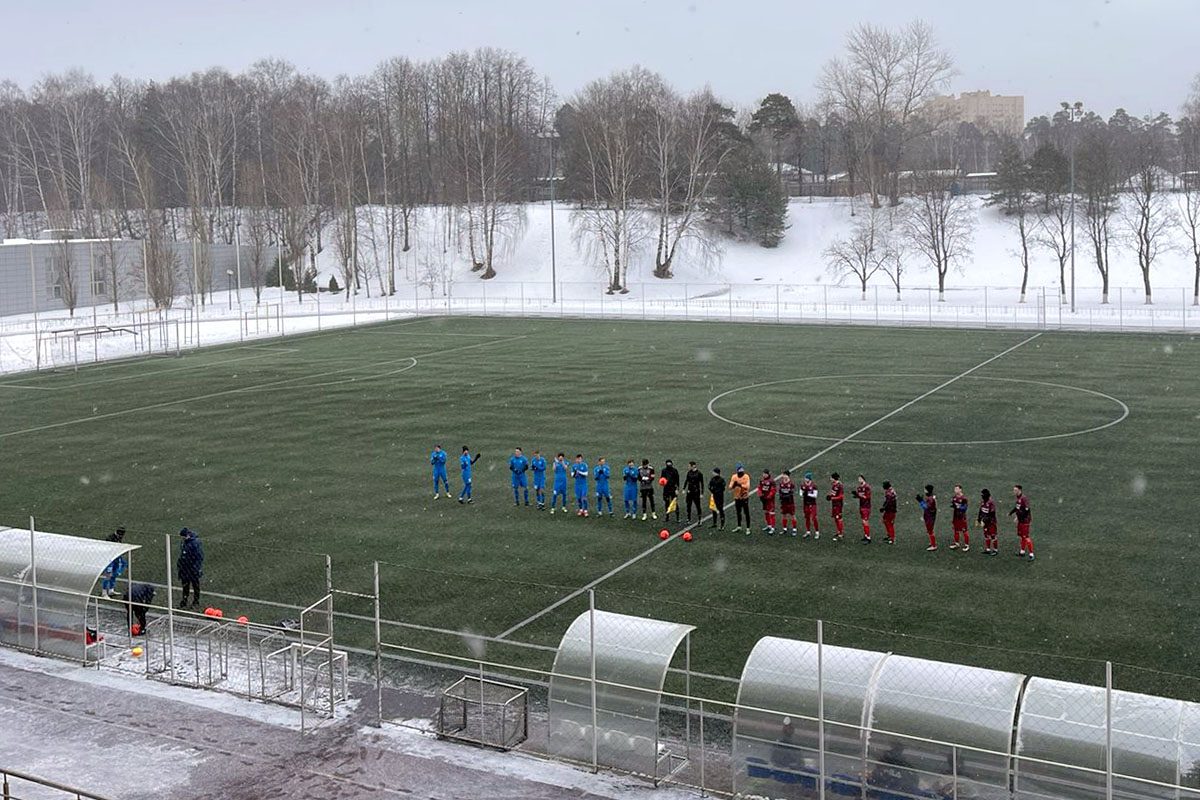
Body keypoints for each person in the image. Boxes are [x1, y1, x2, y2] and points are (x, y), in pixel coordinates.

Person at [176, 527, 204, 609]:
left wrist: (195, 568)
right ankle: (184, 601)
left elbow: (199, 557)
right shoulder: (186, 542)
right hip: (185, 568)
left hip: (192, 568)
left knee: (195, 586)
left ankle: (195, 601)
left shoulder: (194, 543)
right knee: (186, 586)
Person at [101, 527, 127, 598]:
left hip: (116, 557)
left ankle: (111, 590)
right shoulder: (110, 538)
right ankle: (104, 592)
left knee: (114, 573)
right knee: (108, 575)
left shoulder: (118, 537)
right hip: (109, 558)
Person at [1010, 484, 1034, 560]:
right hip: (1021, 520)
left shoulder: (1024, 498)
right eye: (1014, 490)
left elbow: (1027, 510)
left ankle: (1031, 554)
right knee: (1022, 536)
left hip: (1025, 521)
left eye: (1015, 490)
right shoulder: (1019, 498)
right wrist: (1012, 513)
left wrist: (1019, 517)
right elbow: (1017, 508)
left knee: (1026, 536)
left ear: (1020, 490)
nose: (1014, 491)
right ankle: (1022, 552)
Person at [729, 463, 752, 533]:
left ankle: (748, 528)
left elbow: (747, 486)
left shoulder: (746, 476)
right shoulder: (734, 477)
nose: (741, 472)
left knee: (746, 513)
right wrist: (733, 485)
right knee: (738, 512)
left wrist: (739, 485)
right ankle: (739, 526)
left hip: (744, 497)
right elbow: (730, 487)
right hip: (737, 497)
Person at [916, 484, 938, 551]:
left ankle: (934, 545)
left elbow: (926, 507)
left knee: (930, 530)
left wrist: (920, 501)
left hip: (929, 516)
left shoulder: (930, 499)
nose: (924, 491)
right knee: (930, 530)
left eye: (925, 489)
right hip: (930, 515)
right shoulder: (931, 497)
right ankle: (932, 542)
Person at [977, 488, 999, 555]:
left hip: (991, 522)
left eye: (983, 495)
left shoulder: (991, 503)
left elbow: (992, 514)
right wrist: (979, 519)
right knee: (986, 535)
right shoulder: (983, 502)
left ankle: (995, 550)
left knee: (993, 536)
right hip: (985, 522)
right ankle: (988, 549)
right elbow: (980, 511)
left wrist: (984, 520)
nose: (982, 496)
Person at [800, 471, 820, 539]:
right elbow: (800, 492)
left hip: (812, 504)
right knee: (807, 517)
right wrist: (802, 493)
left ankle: (817, 532)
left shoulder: (814, 486)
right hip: (805, 504)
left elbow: (815, 495)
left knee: (814, 518)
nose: (805, 479)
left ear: (809, 479)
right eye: (805, 478)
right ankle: (808, 531)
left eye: (806, 478)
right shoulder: (803, 485)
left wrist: (807, 494)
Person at [852, 476, 872, 543]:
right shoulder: (859, 488)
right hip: (861, 506)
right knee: (863, 522)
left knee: (865, 521)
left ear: (864, 479)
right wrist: (856, 495)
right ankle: (866, 535)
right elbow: (861, 496)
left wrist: (858, 495)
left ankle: (868, 537)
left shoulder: (867, 487)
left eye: (860, 479)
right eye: (858, 479)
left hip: (866, 507)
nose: (859, 480)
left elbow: (867, 497)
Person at [950, 484, 970, 551]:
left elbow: (965, 508)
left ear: (960, 489)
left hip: (961, 517)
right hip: (955, 516)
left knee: (964, 531)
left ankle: (967, 545)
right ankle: (956, 543)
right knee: (956, 530)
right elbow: (953, 504)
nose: (955, 490)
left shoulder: (964, 498)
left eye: (957, 489)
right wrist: (953, 505)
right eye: (955, 489)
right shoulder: (954, 497)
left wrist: (959, 508)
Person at [758, 469, 778, 534]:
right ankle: (769, 525)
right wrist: (760, 495)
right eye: (763, 473)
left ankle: (773, 527)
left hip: (770, 500)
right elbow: (759, 488)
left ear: (768, 474)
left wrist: (769, 496)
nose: (763, 475)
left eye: (765, 474)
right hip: (764, 499)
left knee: (771, 513)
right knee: (766, 512)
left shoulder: (772, 481)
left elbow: (773, 490)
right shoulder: (762, 481)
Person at [777, 471, 797, 536]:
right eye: (783, 475)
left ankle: (794, 529)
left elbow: (792, 492)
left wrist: (786, 496)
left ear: (788, 476)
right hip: (784, 502)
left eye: (784, 475)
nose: (783, 476)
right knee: (784, 514)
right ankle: (784, 528)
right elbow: (779, 491)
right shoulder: (781, 483)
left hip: (790, 502)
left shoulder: (791, 484)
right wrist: (781, 496)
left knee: (792, 515)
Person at [827, 472, 846, 542]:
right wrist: (830, 495)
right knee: (835, 518)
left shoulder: (839, 485)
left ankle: (841, 534)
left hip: (838, 505)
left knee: (839, 518)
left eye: (831, 478)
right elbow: (833, 493)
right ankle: (838, 531)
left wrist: (832, 498)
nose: (830, 479)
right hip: (834, 504)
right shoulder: (834, 485)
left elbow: (841, 496)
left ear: (834, 478)